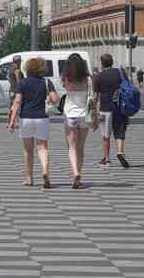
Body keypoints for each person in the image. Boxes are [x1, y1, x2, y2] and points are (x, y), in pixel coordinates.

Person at [7, 58, 58, 188]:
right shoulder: (47, 82)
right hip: (42, 118)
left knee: (28, 150)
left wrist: (12, 120)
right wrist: (48, 99)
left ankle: (29, 178)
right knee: (43, 148)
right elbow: (55, 99)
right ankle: (45, 171)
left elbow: (17, 102)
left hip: (26, 118)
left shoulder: (23, 83)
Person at [61, 53, 97, 189]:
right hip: (84, 116)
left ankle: (75, 172)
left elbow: (65, 89)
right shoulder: (88, 79)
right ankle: (79, 174)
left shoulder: (66, 78)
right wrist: (95, 118)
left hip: (70, 115)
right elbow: (92, 99)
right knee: (81, 147)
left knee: (72, 147)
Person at [94, 53, 130, 169]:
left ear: (102, 63)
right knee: (119, 131)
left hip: (105, 109)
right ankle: (120, 151)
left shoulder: (99, 76)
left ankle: (106, 159)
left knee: (106, 135)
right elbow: (128, 86)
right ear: (112, 61)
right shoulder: (120, 73)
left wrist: (93, 110)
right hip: (119, 107)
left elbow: (95, 96)